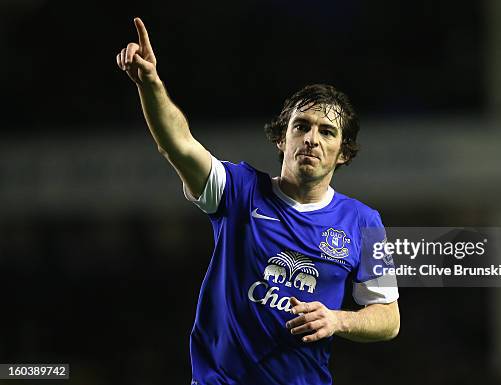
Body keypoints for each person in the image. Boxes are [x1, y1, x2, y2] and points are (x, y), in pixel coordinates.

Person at [116, 17, 400, 385]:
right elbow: (178, 144)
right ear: (282, 138)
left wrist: (338, 318)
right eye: (301, 126)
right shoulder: (238, 190)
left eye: (327, 131)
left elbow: (388, 317)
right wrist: (150, 84)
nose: (311, 138)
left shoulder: (364, 222)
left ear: (342, 153)